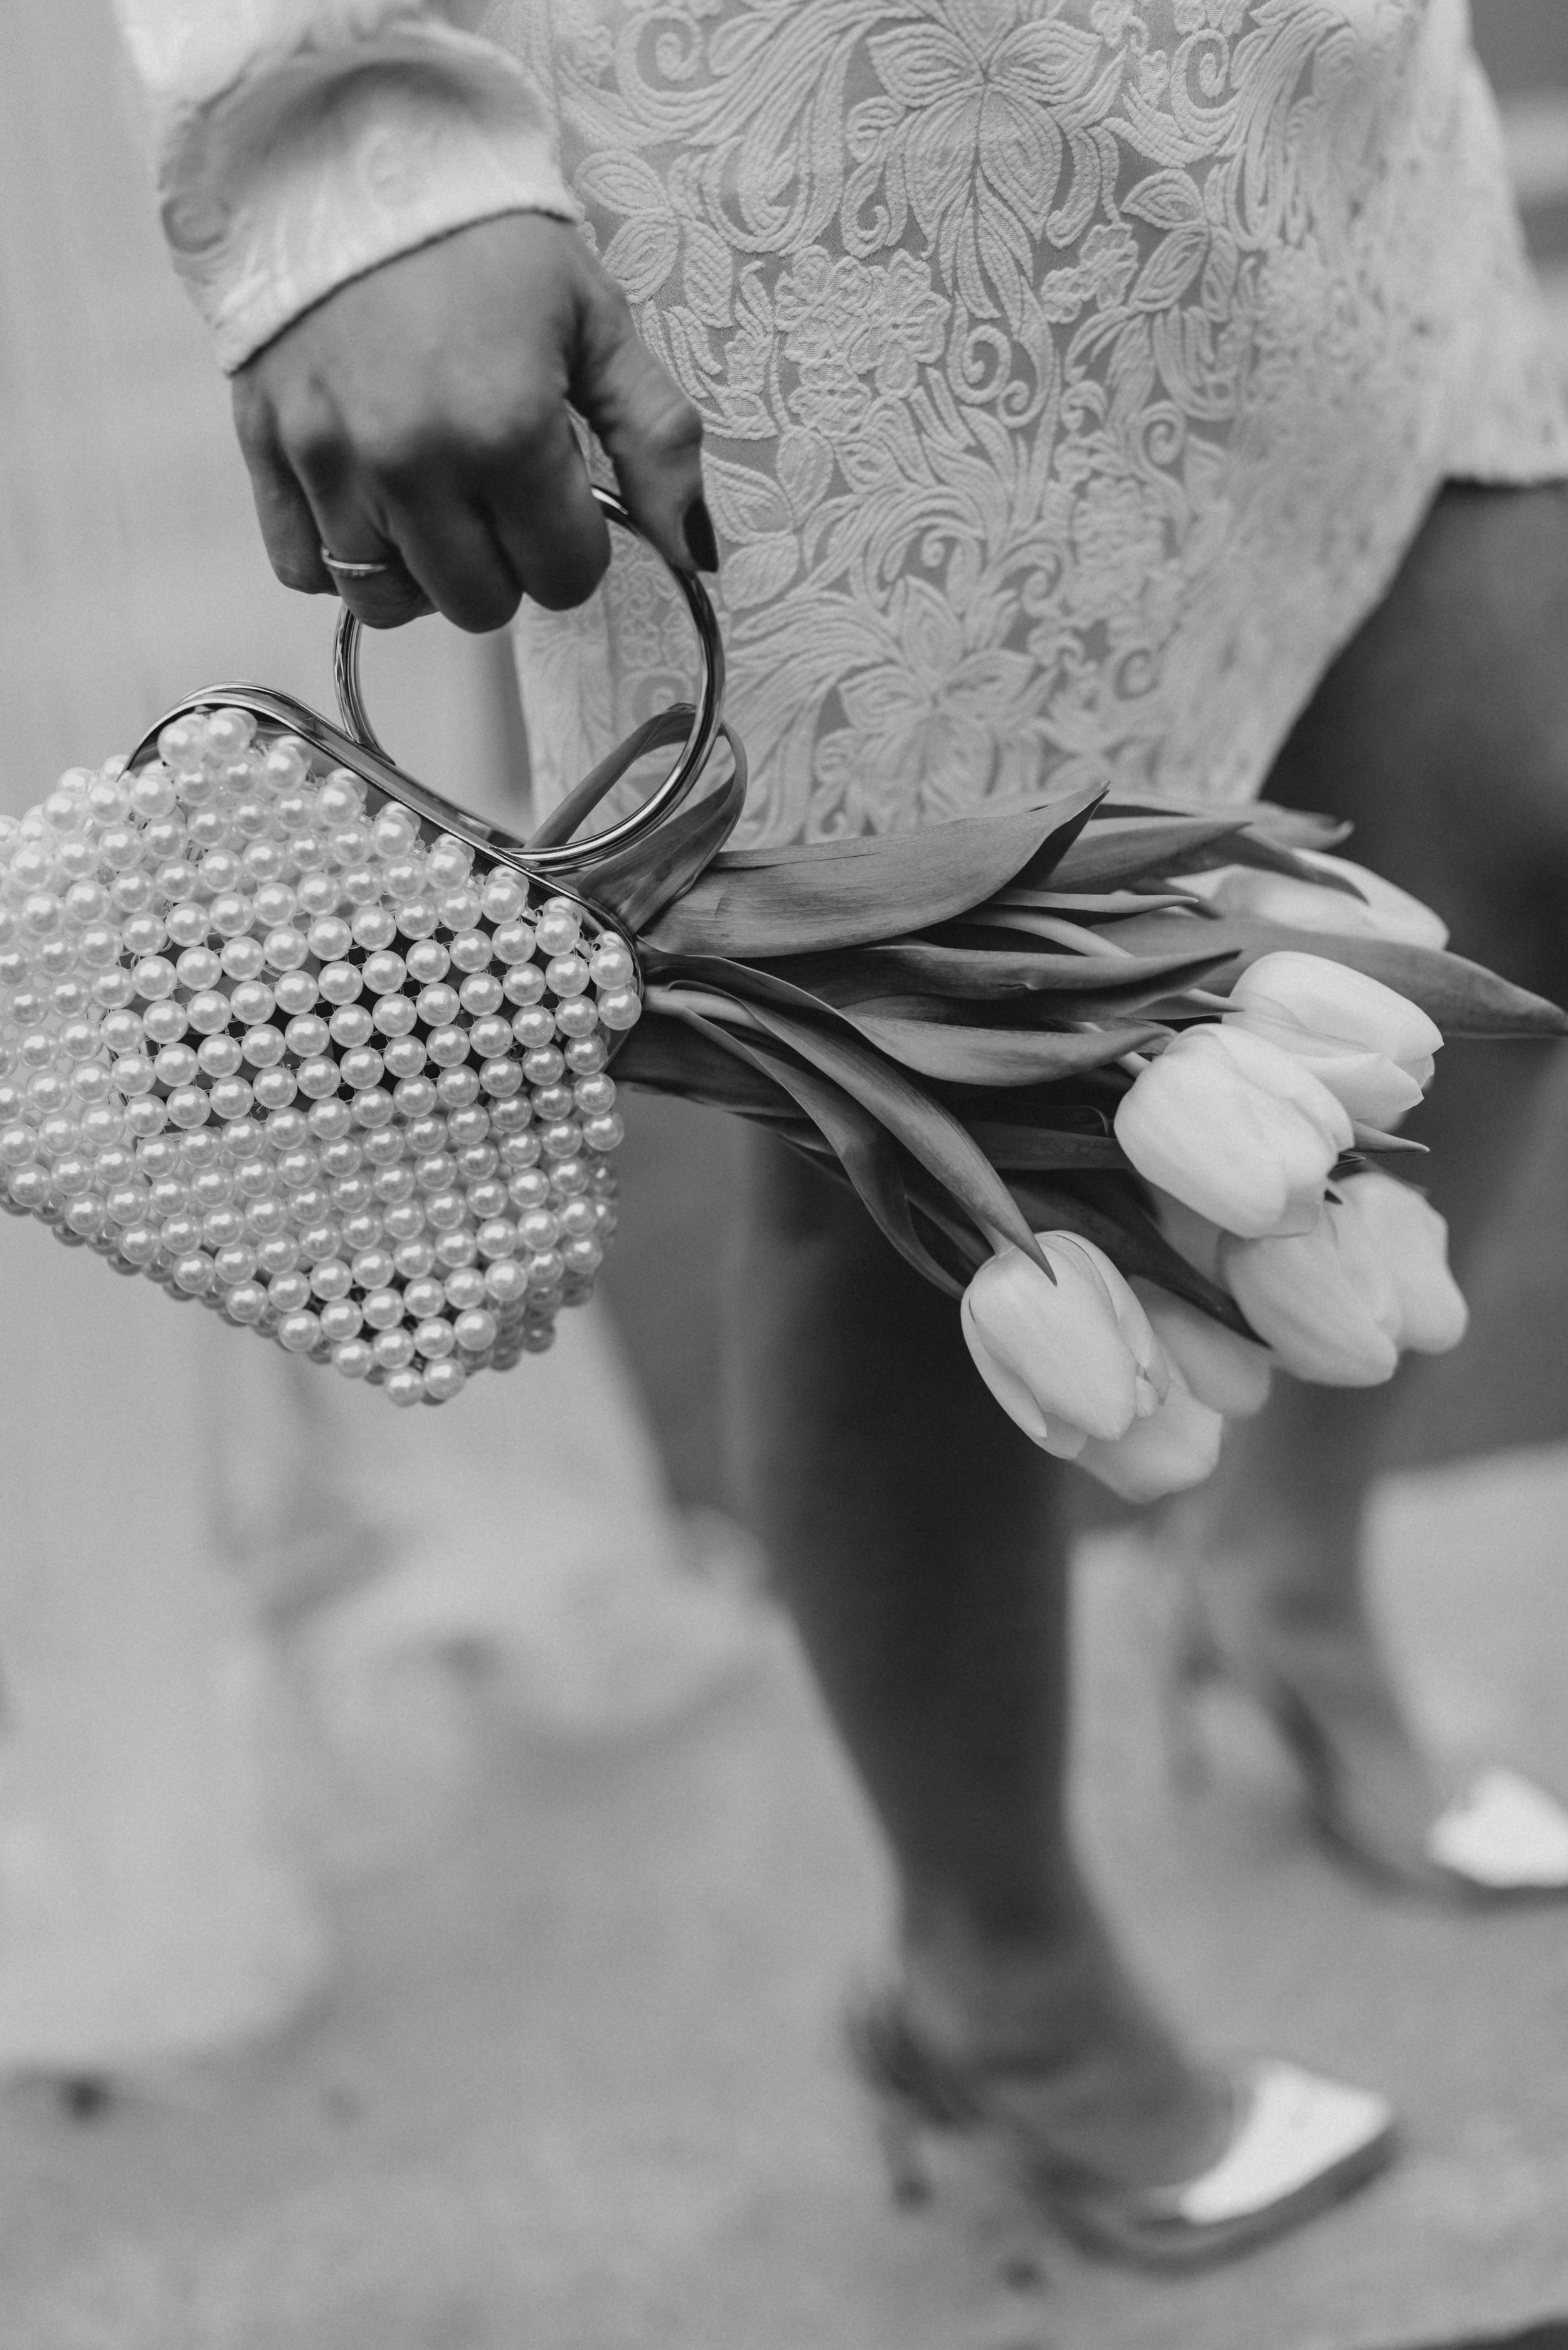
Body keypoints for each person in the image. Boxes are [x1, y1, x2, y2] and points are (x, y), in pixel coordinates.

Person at [109, 0, 1568, 2265]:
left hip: (1302, 87)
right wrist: (350, 149)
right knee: (901, 1083)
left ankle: (1278, 1587)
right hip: (817, 150)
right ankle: (994, 1977)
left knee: (1514, 794)